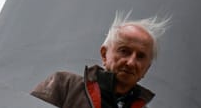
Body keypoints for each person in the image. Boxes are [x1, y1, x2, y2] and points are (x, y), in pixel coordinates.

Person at [31, 12, 169, 108]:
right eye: (124, 51)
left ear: (146, 69)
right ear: (104, 54)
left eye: (140, 56)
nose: (131, 62)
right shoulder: (63, 85)